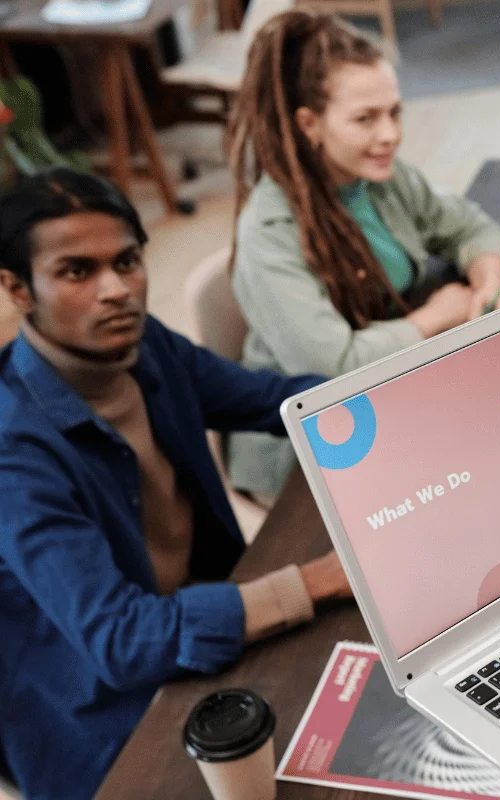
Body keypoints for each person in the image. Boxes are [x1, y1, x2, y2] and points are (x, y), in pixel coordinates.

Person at [0, 169, 354, 800]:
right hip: (107, 720)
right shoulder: (12, 452)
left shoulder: (146, 346)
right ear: (17, 289)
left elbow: (275, 401)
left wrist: (409, 404)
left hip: (206, 624)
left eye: (127, 262)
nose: (117, 291)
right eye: (78, 271)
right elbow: (123, 640)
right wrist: (318, 581)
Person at [226, 10, 500, 498]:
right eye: (365, 119)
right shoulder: (269, 233)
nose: (390, 135)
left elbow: (470, 225)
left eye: (395, 112)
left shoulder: (379, 177)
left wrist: (485, 287)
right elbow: (334, 368)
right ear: (309, 124)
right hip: (308, 452)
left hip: (389, 393)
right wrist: (437, 317)